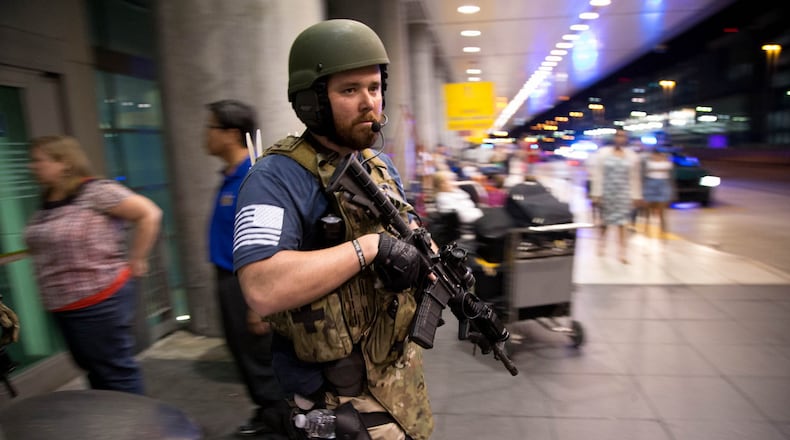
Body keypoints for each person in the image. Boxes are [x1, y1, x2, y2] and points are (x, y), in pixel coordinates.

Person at [233, 19, 434, 440]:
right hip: (338, 403)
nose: (369, 103)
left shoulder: (380, 166)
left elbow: (408, 229)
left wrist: (425, 254)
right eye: (350, 90)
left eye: (374, 88)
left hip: (399, 388)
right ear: (312, 101)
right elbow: (261, 287)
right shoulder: (275, 177)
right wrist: (370, 247)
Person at [23, 135, 162, 394]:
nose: (32, 166)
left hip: (99, 301)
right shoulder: (48, 200)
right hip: (65, 304)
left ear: (64, 162)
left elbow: (149, 214)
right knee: (96, 372)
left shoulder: (95, 192)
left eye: (38, 160)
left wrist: (137, 260)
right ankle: (112, 417)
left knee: (115, 373)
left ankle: (134, 419)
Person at [204, 100, 288, 437]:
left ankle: (281, 423)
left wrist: (259, 303)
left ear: (231, 134)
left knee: (260, 358)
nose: (205, 135)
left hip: (246, 285)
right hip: (228, 281)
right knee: (244, 354)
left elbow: (272, 242)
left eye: (211, 128)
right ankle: (267, 413)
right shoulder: (230, 176)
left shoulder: (254, 178)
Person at [588, 129, 642, 263]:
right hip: (607, 191)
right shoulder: (603, 153)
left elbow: (635, 177)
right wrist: (596, 194)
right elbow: (598, 174)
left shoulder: (632, 156)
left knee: (623, 223)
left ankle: (622, 252)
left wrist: (636, 195)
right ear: (614, 138)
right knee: (605, 221)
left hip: (624, 192)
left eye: (623, 136)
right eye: (618, 136)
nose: (620, 138)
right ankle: (601, 244)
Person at [641, 147, 674, 236]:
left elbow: (668, 169)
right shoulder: (647, 161)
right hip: (650, 184)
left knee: (661, 209)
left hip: (663, 184)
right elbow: (646, 169)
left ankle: (663, 229)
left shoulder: (667, 161)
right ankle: (645, 228)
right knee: (648, 208)